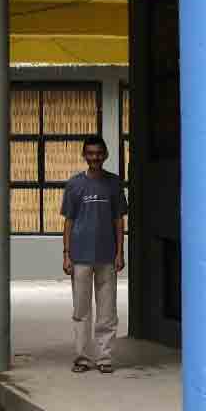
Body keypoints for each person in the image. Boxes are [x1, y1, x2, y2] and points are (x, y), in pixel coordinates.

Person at [61, 133, 128, 373]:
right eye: (90, 153)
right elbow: (69, 221)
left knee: (107, 311)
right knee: (81, 310)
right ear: (84, 155)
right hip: (80, 256)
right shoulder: (74, 184)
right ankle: (82, 357)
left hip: (107, 257)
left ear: (105, 155)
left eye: (99, 153)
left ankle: (104, 357)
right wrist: (66, 254)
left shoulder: (114, 183)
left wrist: (120, 252)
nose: (94, 157)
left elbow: (118, 220)